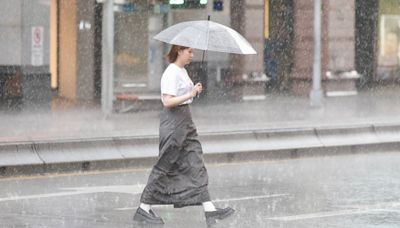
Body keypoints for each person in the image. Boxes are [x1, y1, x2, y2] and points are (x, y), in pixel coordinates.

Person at [133, 45, 234, 226]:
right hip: (174, 123)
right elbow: (167, 101)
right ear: (179, 51)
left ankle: (209, 210)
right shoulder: (171, 72)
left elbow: (185, 95)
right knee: (165, 165)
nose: (192, 55)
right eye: (189, 51)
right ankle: (143, 208)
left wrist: (194, 90)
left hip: (186, 121)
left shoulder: (182, 71)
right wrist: (190, 93)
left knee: (196, 162)